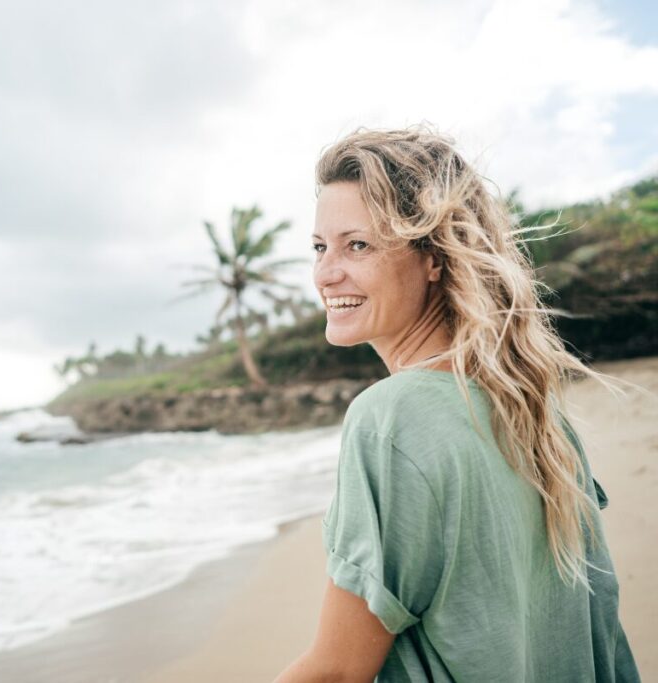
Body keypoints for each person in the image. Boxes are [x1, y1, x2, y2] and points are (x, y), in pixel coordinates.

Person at [272, 124, 641, 682]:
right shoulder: (537, 414)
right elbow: (602, 640)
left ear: (434, 259)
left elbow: (338, 672)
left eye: (358, 245)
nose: (326, 273)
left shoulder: (390, 421)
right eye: (320, 247)